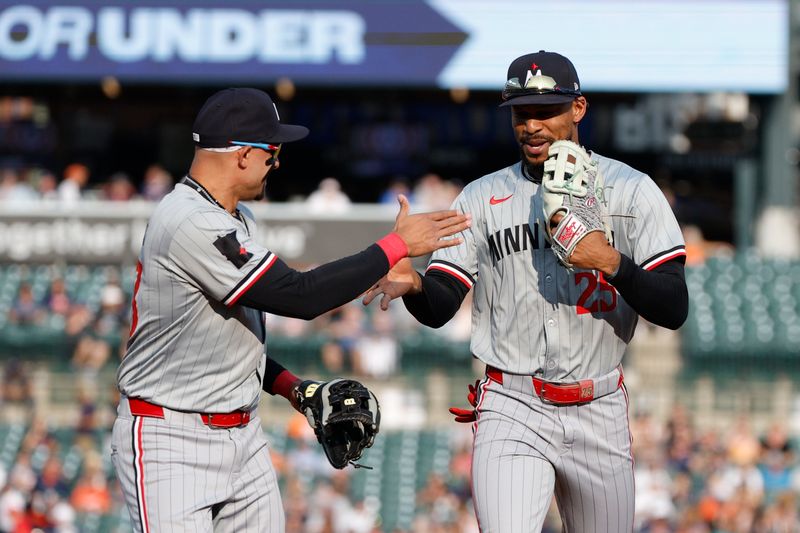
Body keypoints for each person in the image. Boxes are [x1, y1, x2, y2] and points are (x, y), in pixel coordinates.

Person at [110, 87, 470, 532]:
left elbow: (232, 338)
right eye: (272, 152)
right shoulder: (188, 220)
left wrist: (292, 388)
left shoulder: (239, 218)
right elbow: (301, 296)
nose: (277, 163)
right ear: (243, 154)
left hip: (242, 435)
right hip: (170, 437)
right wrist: (397, 245)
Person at [363, 51, 689, 532]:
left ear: (578, 108)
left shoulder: (631, 191)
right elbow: (442, 303)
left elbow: (674, 306)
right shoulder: (480, 198)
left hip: (598, 403)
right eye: (521, 114)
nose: (532, 126)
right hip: (512, 403)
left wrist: (611, 261)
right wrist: (414, 285)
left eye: (546, 112)